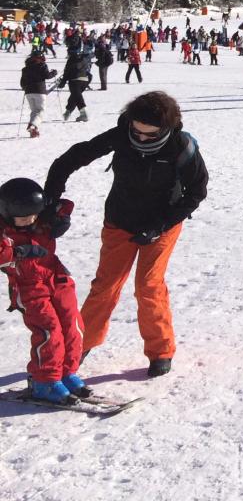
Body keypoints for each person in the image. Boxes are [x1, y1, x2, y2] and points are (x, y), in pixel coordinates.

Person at [44, 91, 208, 378]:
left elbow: (196, 192)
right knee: (105, 285)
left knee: (148, 285)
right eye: (137, 131)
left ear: (166, 129)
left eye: (150, 134)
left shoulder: (181, 147)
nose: (141, 138)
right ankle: (80, 344)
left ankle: (161, 350)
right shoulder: (121, 135)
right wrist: (51, 197)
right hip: (120, 219)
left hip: (163, 223)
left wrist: (159, 225)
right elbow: (71, 158)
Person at [0, 177, 89, 404]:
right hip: (28, 288)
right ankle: (45, 381)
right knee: (49, 330)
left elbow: (65, 205)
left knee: (72, 324)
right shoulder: (5, 233)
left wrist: (59, 215)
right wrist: (19, 252)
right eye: (23, 218)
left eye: (33, 215)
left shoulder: (40, 220)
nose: (30, 221)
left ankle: (66, 372)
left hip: (57, 279)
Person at [20, 49, 56, 138]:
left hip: (28, 92)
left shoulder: (25, 68)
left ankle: (34, 130)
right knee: (40, 110)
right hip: (39, 91)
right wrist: (54, 73)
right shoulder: (41, 65)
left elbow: (22, 82)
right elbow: (47, 76)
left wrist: (26, 88)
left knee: (34, 111)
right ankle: (33, 125)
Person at [58, 35, 93, 122]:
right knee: (75, 96)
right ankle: (67, 112)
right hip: (85, 79)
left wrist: (62, 82)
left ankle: (84, 114)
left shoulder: (71, 59)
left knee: (77, 97)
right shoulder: (83, 58)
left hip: (75, 80)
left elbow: (67, 71)